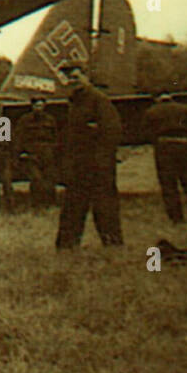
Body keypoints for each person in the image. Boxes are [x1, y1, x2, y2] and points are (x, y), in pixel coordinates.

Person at [55, 63, 123, 248]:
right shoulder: (73, 103)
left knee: (105, 207)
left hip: (98, 165)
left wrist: (101, 159)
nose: (72, 81)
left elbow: (112, 130)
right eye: (68, 78)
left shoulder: (99, 100)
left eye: (76, 77)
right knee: (72, 207)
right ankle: (67, 247)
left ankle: (112, 244)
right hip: (78, 165)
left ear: (86, 77)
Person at [142, 94, 187, 223]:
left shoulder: (151, 111)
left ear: (158, 99)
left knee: (168, 183)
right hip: (184, 147)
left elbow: (145, 132)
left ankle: (176, 218)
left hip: (164, 148)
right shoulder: (184, 109)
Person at [17, 98, 59, 209]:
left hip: (47, 152)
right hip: (32, 153)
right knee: (36, 179)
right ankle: (36, 205)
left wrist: (54, 150)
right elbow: (19, 137)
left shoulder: (50, 120)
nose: (38, 108)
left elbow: (55, 136)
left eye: (41, 106)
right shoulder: (25, 120)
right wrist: (22, 152)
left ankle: (50, 204)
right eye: (36, 106)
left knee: (50, 179)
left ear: (44, 106)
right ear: (32, 107)